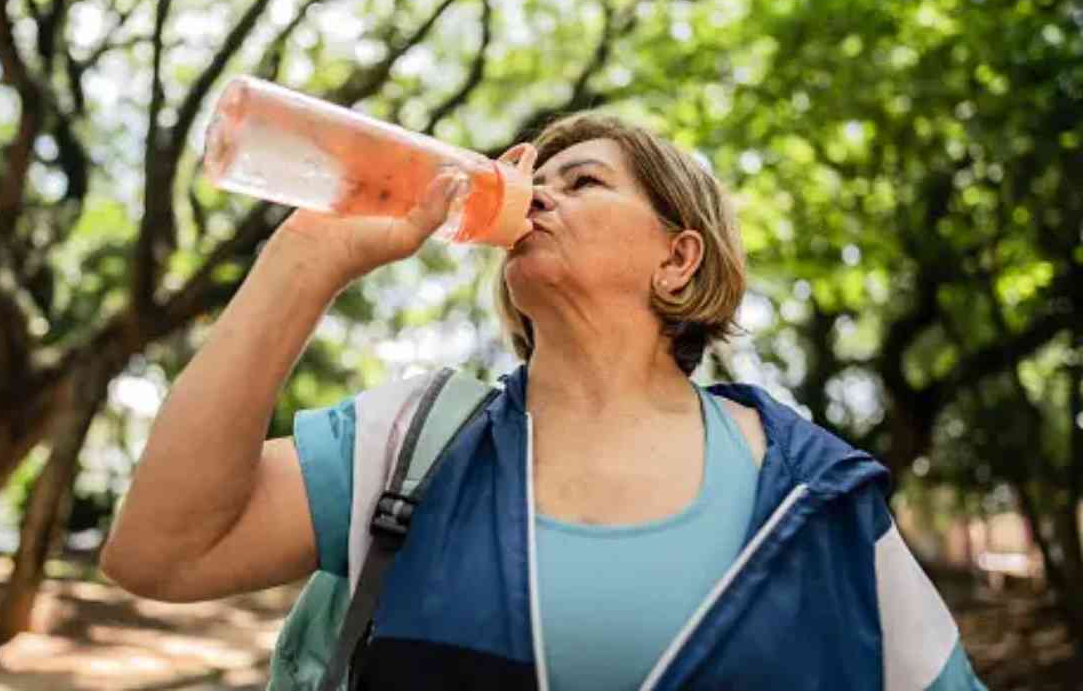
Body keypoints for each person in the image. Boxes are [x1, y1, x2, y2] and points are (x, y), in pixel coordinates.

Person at [101, 114, 988, 690]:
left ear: (678, 259)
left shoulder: (819, 496)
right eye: (538, 178)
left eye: (584, 181)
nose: (537, 195)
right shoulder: (413, 440)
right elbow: (159, 552)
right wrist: (309, 254)